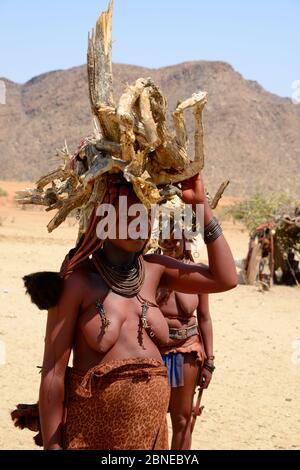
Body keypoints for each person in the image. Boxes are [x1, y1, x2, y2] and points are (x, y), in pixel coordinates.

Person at [12, 172, 237, 450]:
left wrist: (200, 205)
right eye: (129, 213)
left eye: (145, 213)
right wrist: (53, 447)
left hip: (150, 436)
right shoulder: (78, 281)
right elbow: (53, 374)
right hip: (93, 435)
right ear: (100, 217)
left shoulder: (155, 269)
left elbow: (226, 278)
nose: (139, 222)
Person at [155, 217, 214, 450]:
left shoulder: (197, 273)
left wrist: (209, 361)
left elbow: (205, 318)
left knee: (182, 418)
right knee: (153, 416)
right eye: (164, 238)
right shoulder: (149, 269)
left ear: (185, 240)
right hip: (155, 352)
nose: (169, 243)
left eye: (175, 238)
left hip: (187, 352)